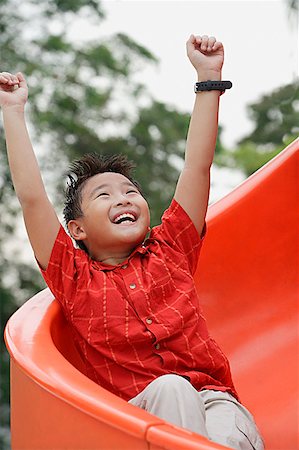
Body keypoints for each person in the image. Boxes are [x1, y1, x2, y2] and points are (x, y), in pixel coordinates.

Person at [0, 34, 264, 449]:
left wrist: (208, 80)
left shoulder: (172, 249)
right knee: (172, 389)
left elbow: (197, 167)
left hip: (214, 401)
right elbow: (32, 198)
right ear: (78, 230)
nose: (123, 198)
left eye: (130, 191)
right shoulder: (74, 278)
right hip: (135, 420)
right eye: (103, 195)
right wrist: (12, 112)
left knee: (229, 431)